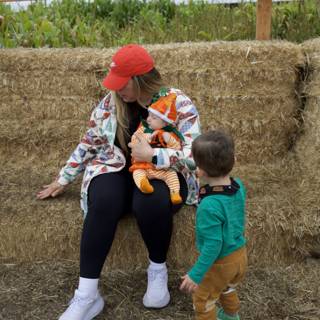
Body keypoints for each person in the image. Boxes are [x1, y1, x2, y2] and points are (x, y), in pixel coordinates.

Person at [36, 44, 201, 320]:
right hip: (117, 168)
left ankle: (157, 273)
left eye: (122, 84)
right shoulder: (109, 104)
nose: (117, 90)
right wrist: (64, 177)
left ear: (139, 80)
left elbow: (194, 155)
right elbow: (89, 142)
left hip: (163, 174)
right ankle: (87, 296)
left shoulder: (177, 103)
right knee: (103, 199)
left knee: (150, 200)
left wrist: (154, 155)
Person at [180, 130, 247, 320]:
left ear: (199, 171)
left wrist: (196, 275)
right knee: (227, 288)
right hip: (239, 255)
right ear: (233, 159)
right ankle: (231, 315)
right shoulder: (238, 185)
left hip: (221, 262)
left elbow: (213, 245)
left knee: (203, 300)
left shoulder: (209, 206)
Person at [129, 92, 184, 204]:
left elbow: (177, 148)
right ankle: (143, 184)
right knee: (137, 172)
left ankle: (175, 193)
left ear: (164, 123)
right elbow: (134, 140)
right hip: (143, 166)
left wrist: (168, 139)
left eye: (153, 118)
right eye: (149, 115)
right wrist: (145, 138)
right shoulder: (143, 130)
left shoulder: (169, 134)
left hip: (162, 168)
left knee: (171, 175)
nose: (148, 119)